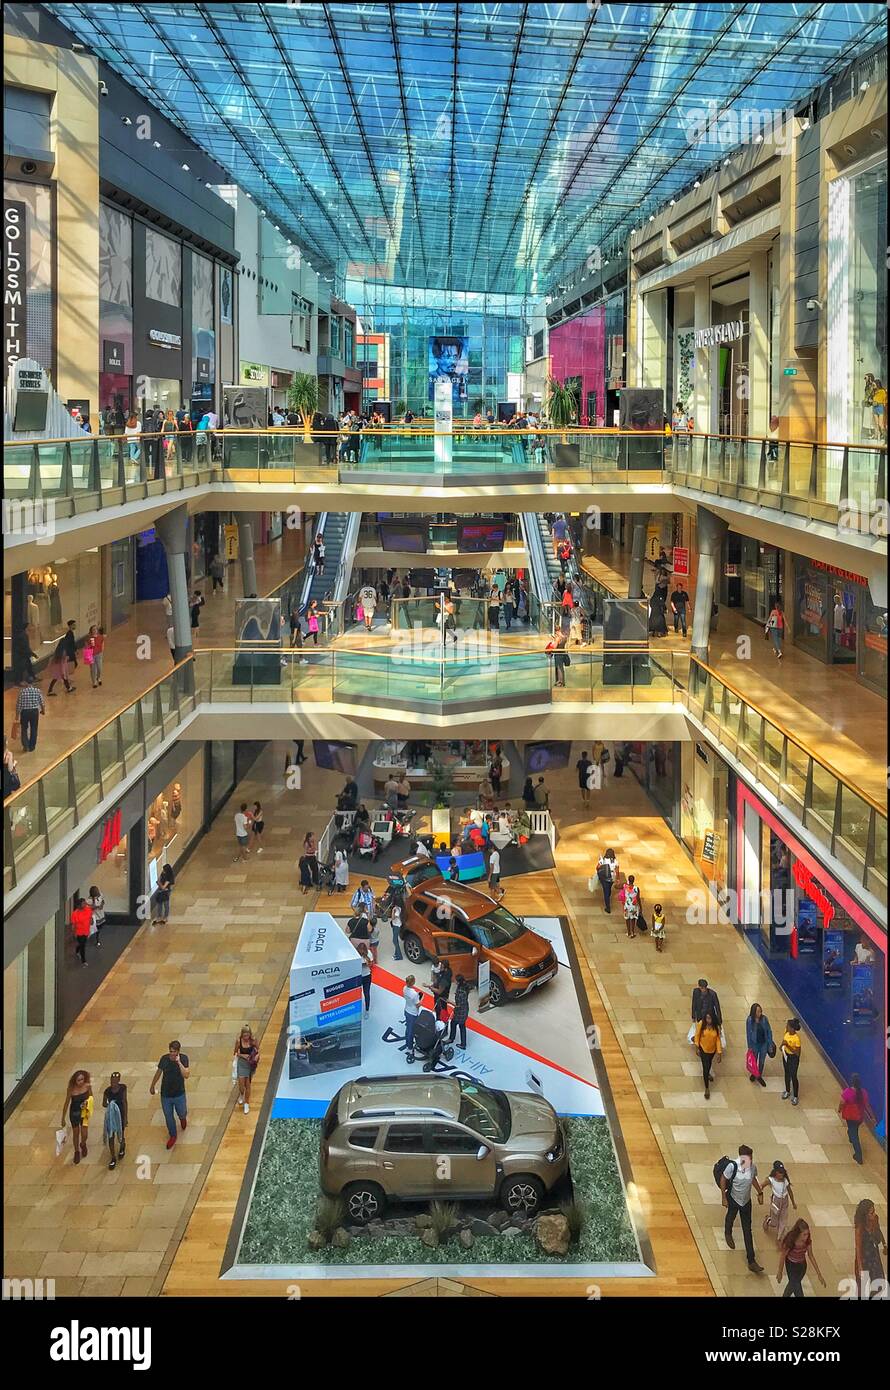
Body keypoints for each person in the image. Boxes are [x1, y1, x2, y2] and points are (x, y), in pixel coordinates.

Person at [720, 1144, 765, 1273]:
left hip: (746, 1202)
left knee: (747, 1230)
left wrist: (760, 1192)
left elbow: (753, 1180)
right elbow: (723, 1179)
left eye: (751, 1158)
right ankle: (728, 1233)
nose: (750, 1160)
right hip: (733, 1198)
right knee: (730, 1217)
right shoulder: (732, 1166)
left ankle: (751, 1261)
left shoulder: (752, 1167)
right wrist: (723, 1197)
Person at [150, 1041, 190, 1150]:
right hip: (166, 1094)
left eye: (174, 1052)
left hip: (179, 1093)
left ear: (178, 1051)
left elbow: (186, 1075)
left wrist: (179, 1063)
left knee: (182, 1112)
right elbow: (159, 1072)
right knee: (168, 1116)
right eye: (170, 1051)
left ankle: (182, 1118)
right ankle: (173, 1134)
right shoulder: (164, 1059)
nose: (172, 1054)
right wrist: (152, 1085)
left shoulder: (184, 1058)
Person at [777, 1219, 825, 1298]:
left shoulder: (807, 1241)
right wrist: (780, 1272)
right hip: (791, 1266)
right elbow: (783, 1256)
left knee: (793, 1285)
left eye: (807, 1234)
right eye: (804, 1234)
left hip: (802, 1266)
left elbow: (811, 1255)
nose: (806, 1237)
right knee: (797, 1289)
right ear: (798, 1233)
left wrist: (819, 1274)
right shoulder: (791, 1241)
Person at [853, 1199, 887, 1299]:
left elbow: (879, 1231)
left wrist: (884, 1244)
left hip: (873, 1255)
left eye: (874, 1211)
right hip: (863, 1258)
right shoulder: (860, 1227)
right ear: (865, 1214)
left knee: (879, 1284)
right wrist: (859, 1267)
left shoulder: (875, 1219)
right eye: (871, 1212)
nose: (874, 1214)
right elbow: (858, 1247)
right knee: (862, 1289)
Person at [838, 1073, 873, 1165]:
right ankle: (850, 1135)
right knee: (854, 1129)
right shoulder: (864, 1093)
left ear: (852, 1082)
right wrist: (872, 1117)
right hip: (859, 1117)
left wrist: (839, 1109)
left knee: (854, 1135)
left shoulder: (847, 1092)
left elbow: (842, 1102)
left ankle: (858, 1156)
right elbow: (867, 1106)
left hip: (850, 1116)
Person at [61, 1069, 93, 1165]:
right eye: (78, 1080)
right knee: (76, 1133)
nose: (80, 1082)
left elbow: (91, 1097)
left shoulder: (87, 1086)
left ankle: (83, 1144)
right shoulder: (71, 1089)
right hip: (74, 1112)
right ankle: (76, 1151)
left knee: (84, 1133)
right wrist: (62, 1118)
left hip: (84, 1112)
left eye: (82, 1079)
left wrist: (87, 1103)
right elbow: (66, 1103)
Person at [762, 1160, 795, 1243]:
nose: (781, 1174)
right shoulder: (771, 1180)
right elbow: (761, 1186)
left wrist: (793, 1202)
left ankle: (779, 1238)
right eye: (779, 1172)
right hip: (776, 1201)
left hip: (784, 1201)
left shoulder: (785, 1180)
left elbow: (790, 1191)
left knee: (783, 1219)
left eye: (782, 1172)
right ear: (775, 1172)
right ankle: (768, 1220)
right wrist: (760, 1194)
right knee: (774, 1222)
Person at [102, 1071, 128, 1170]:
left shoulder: (123, 1088)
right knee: (111, 1136)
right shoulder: (107, 1091)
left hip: (120, 1114)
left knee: (120, 1133)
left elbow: (125, 1102)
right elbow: (104, 1103)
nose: (113, 1083)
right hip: (111, 1116)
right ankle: (113, 1157)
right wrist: (110, 1105)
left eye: (115, 1081)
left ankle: (122, 1146)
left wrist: (125, 1118)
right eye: (112, 1081)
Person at [694, 1009, 722, 1098]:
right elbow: (697, 1035)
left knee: (709, 1064)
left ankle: (708, 1073)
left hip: (712, 1051)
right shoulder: (701, 1024)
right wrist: (697, 1047)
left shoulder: (716, 1027)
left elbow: (718, 1040)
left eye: (710, 1018)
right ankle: (707, 1087)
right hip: (703, 1049)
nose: (708, 1020)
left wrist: (719, 1053)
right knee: (705, 1068)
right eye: (707, 1018)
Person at [745, 1003, 773, 1088]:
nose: (759, 1013)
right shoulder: (749, 1020)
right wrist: (749, 1046)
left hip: (763, 1044)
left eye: (760, 1011)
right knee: (754, 1060)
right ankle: (754, 1073)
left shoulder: (764, 1019)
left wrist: (770, 1044)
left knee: (762, 1061)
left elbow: (769, 1031)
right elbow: (748, 1034)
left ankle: (759, 1075)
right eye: (757, 1012)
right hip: (754, 1044)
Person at [15, 676, 45, 753]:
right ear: (33, 682)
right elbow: (42, 702)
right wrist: (43, 711)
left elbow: (18, 705)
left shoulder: (22, 692)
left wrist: (17, 716)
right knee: (34, 728)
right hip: (34, 712)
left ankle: (26, 745)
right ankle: (32, 746)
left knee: (24, 729)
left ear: (26, 682)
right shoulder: (37, 691)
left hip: (24, 712)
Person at [47, 620, 78, 695]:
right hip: (61, 669)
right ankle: (66, 688)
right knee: (63, 677)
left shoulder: (58, 652)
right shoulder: (63, 654)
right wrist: (64, 672)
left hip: (58, 669)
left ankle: (67, 688)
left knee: (58, 678)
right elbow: (62, 664)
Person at [233, 1025, 259, 1114]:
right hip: (241, 1064)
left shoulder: (253, 1040)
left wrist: (256, 1057)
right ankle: (241, 1094)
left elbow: (257, 1051)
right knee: (241, 1085)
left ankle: (246, 1103)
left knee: (248, 1085)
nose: (246, 1038)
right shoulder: (239, 1041)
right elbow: (235, 1052)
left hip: (250, 1064)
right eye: (244, 1036)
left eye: (247, 1035)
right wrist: (243, 1055)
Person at [781, 1017, 802, 1105]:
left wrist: (788, 1046)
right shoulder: (786, 1031)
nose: (787, 1027)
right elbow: (784, 1040)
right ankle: (787, 1090)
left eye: (788, 1026)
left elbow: (797, 1053)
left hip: (793, 1058)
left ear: (793, 1028)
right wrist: (782, 1046)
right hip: (786, 1055)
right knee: (787, 1073)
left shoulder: (797, 1039)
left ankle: (796, 1096)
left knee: (793, 1076)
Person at [71, 894, 93, 967]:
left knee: (82, 944)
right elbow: (73, 925)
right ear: (79, 905)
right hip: (79, 932)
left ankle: (77, 949)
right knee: (83, 945)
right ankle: (83, 960)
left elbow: (90, 917)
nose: (85, 904)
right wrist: (74, 933)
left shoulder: (88, 909)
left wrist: (91, 921)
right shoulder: (75, 914)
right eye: (83, 903)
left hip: (86, 931)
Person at [448, 974, 470, 1050]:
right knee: (462, 1026)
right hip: (464, 1010)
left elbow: (458, 1005)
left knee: (453, 1023)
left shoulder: (461, 992)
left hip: (460, 1012)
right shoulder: (463, 988)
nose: (454, 981)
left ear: (458, 982)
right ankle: (463, 1043)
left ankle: (451, 1038)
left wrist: (449, 1002)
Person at [403, 974, 422, 1056]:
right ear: (413, 982)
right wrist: (421, 1001)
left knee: (408, 1029)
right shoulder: (414, 994)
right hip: (413, 1013)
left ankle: (408, 1044)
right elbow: (418, 1005)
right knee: (411, 1031)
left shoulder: (404, 988)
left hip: (407, 1010)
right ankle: (410, 1048)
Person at [595, 848, 619, 912]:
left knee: (606, 892)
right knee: (608, 889)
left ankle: (608, 907)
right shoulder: (615, 861)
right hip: (612, 878)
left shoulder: (603, 860)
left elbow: (597, 867)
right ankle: (608, 896)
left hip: (605, 878)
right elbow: (617, 871)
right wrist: (617, 879)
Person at [619, 873, 641, 940]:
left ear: (628, 880)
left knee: (627, 919)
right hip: (634, 906)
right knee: (633, 919)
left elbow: (616, 886)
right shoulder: (636, 888)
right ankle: (632, 932)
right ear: (633, 880)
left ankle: (628, 932)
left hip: (627, 906)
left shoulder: (625, 886)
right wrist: (640, 906)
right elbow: (638, 898)